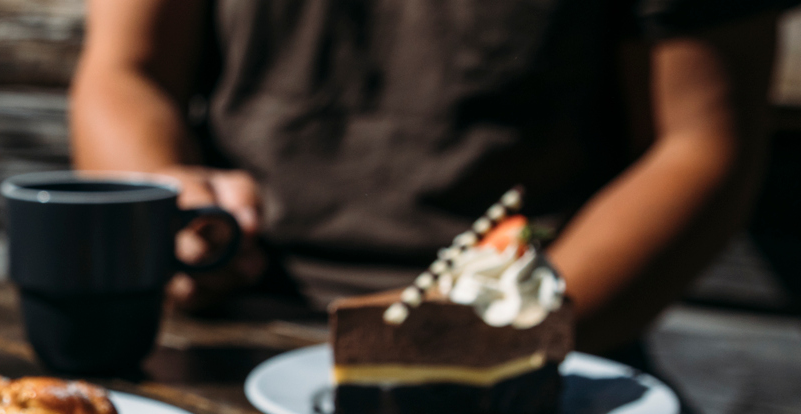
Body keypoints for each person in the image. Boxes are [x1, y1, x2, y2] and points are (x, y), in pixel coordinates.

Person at [70, 0, 791, 353]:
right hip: (225, 328)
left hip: (530, 361)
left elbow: (699, 141)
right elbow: (125, 72)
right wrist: (166, 209)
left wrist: (504, 336)